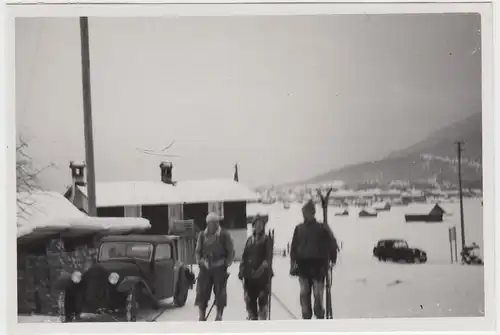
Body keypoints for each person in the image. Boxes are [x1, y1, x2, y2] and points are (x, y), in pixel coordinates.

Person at [289, 200, 339, 319]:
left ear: (313, 213)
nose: (304, 214)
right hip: (303, 268)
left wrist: (332, 259)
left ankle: (319, 321)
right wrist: (293, 264)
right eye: (303, 212)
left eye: (306, 212)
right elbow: (293, 248)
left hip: (318, 268)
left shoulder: (322, 228)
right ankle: (307, 322)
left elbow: (332, 244)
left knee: (318, 298)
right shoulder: (299, 228)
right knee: (304, 298)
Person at [195, 212, 235, 321]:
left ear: (217, 223)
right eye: (210, 223)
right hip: (205, 268)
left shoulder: (224, 235)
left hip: (219, 268)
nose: (212, 225)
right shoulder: (202, 235)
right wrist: (200, 261)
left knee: (220, 293)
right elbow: (198, 251)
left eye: (214, 223)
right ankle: (202, 315)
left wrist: (226, 263)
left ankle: (219, 315)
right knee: (202, 292)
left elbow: (231, 252)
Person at [238, 215, 274, 320]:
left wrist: (261, 269)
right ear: (253, 226)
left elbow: (268, 258)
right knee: (250, 302)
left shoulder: (266, 240)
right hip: (250, 278)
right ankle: (252, 319)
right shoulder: (250, 240)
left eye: (261, 225)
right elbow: (244, 257)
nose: (258, 227)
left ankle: (262, 325)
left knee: (262, 303)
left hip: (262, 278)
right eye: (256, 225)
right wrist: (241, 269)